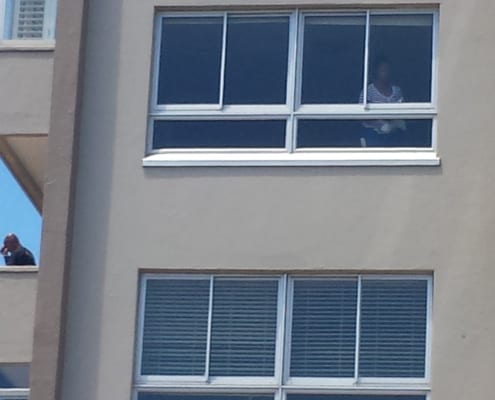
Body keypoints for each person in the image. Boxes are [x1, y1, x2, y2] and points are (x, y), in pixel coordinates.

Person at [359, 57, 406, 147]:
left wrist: (392, 125)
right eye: (382, 70)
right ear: (376, 72)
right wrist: (381, 124)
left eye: (388, 70)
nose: (386, 73)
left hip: (394, 133)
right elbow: (362, 115)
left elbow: (402, 111)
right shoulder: (367, 91)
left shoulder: (396, 91)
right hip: (373, 134)